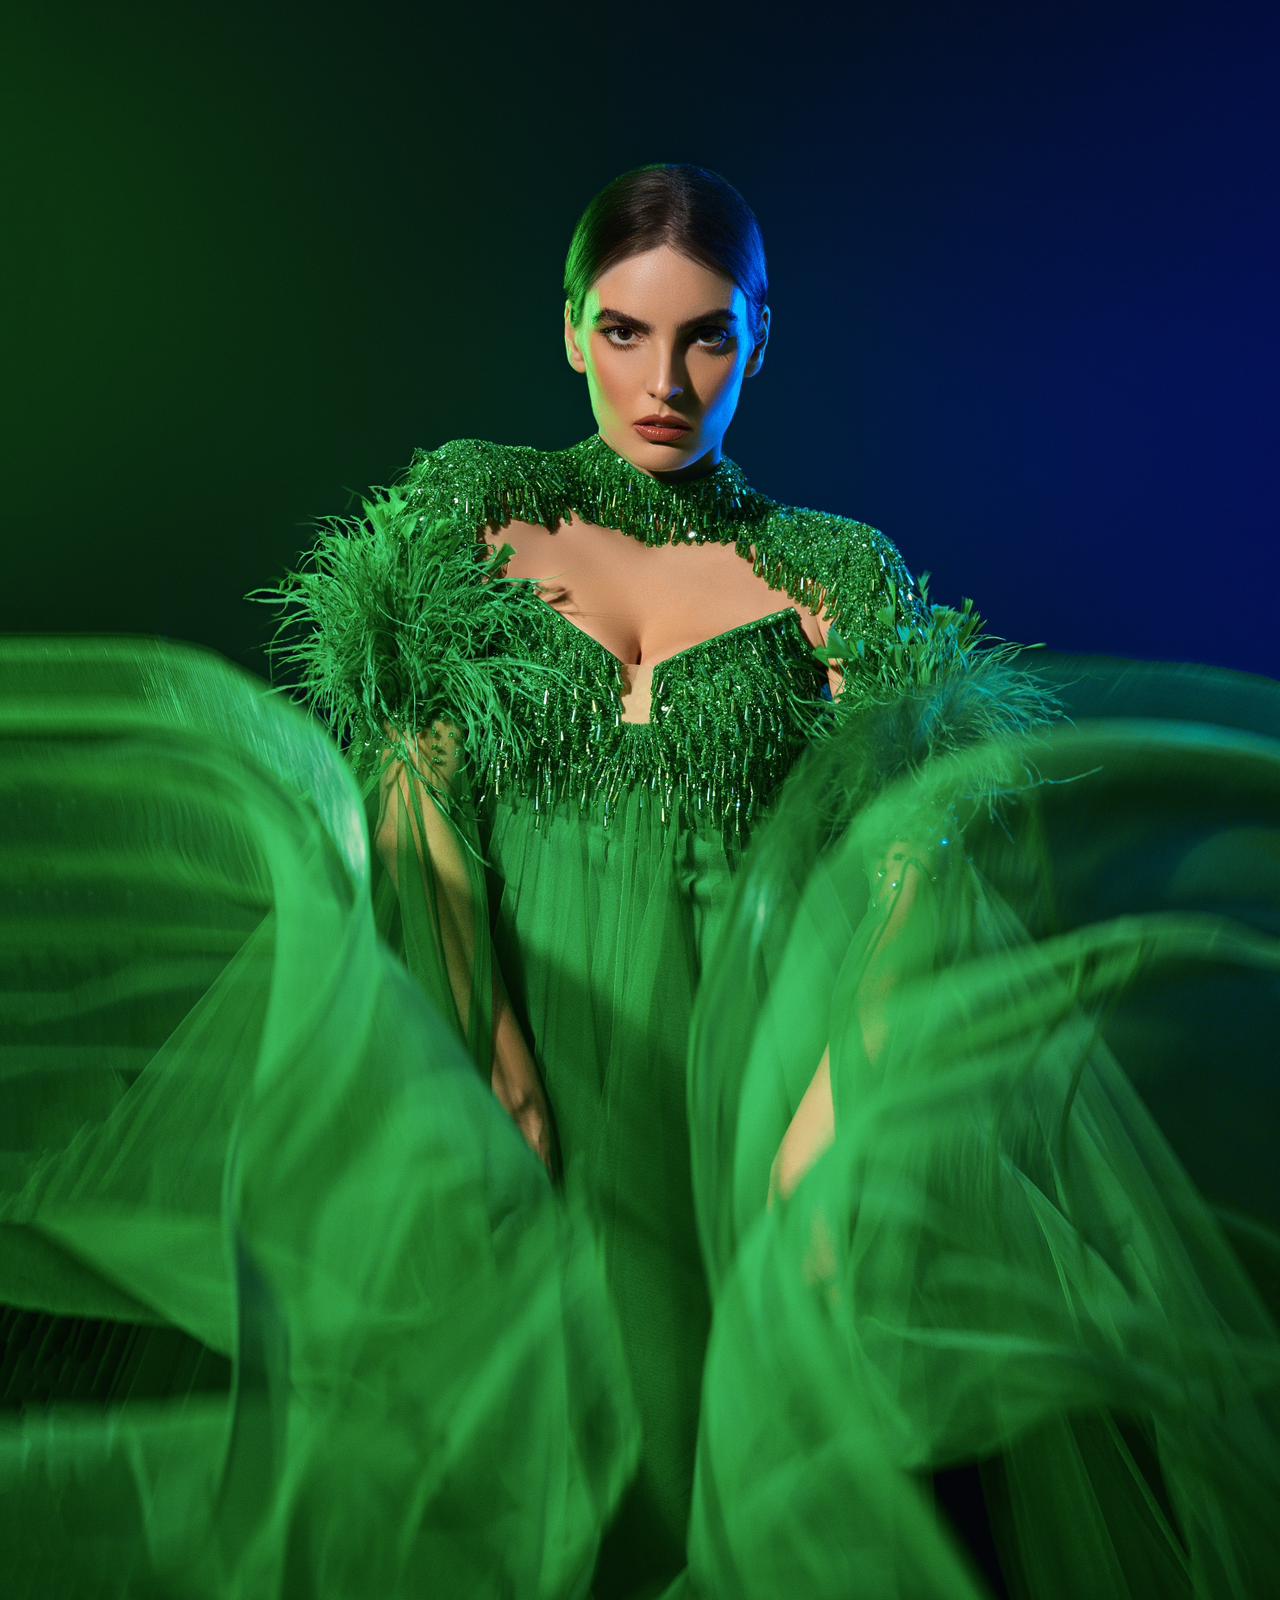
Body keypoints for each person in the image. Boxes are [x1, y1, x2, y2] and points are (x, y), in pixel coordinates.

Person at [1, 161, 1277, 1600]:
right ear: (569, 331)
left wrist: (830, 1118)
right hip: (504, 1030)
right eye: (625, 331)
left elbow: (915, 851)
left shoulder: (832, 572)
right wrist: (481, 1042)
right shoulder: (473, 509)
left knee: (696, 1464)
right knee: (488, 1446)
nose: (664, 381)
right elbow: (419, 793)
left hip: (728, 1075)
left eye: (706, 336)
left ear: (760, 339)